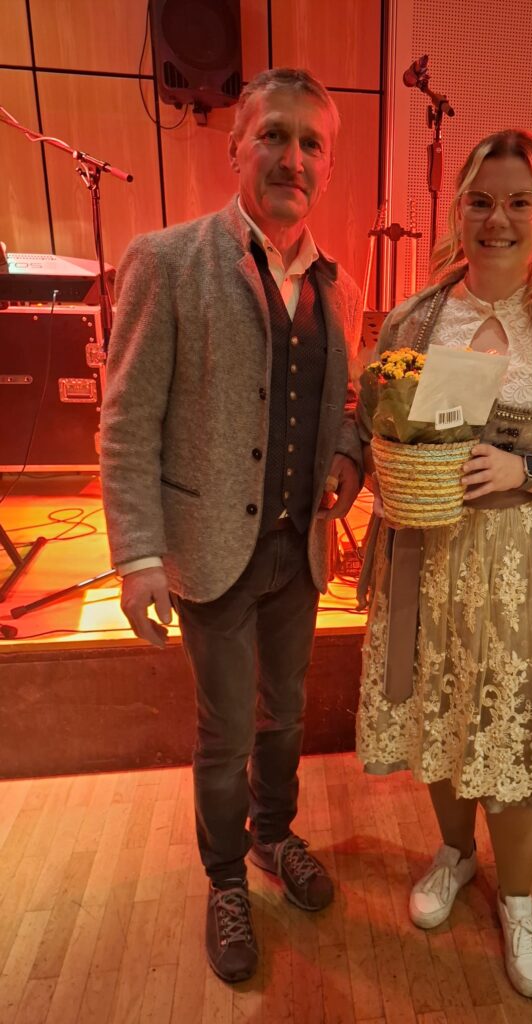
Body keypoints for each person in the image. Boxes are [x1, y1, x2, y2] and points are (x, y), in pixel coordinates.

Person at [355, 130, 532, 997]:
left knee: (516, 739)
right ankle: (454, 853)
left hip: (527, 576)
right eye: (481, 201)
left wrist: (525, 471)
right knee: (440, 722)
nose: (498, 220)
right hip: (428, 560)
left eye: (519, 202)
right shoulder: (414, 318)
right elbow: (376, 424)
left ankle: (518, 899)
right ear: (458, 210)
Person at [100, 68, 363, 983]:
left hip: (298, 552)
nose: (293, 158)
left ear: (328, 165)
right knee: (224, 733)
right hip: (209, 550)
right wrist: (137, 554)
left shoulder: (337, 285)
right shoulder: (166, 260)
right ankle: (224, 880)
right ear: (236, 147)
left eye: (311, 143)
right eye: (274, 136)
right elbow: (127, 420)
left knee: (284, 715)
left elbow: (347, 408)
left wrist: (347, 459)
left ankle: (272, 835)